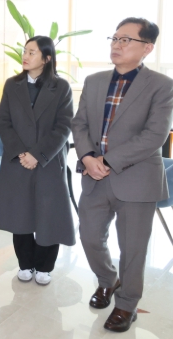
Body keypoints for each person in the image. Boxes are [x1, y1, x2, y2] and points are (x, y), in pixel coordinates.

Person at [71, 18, 173, 333]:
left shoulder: (162, 85)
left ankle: (127, 304)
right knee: (89, 237)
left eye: (126, 40)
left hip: (137, 179)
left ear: (147, 48)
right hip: (94, 175)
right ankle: (107, 280)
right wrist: (87, 158)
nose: (117, 44)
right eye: (114, 38)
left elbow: (155, 135)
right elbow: (79, 124)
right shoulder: (94, 80)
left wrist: (107, 160)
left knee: (133, 249)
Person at [0, 36, 75, 286]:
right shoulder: (12, 84)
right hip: (17, 161)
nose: (25, 56)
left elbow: (63, 126)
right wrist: (21, 152)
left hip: (48, 162)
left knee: (49, 214)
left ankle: (44, 267)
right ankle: (25, 263)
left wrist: (37, 155)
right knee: (21, 215)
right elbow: (3, 121)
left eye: (32, 52)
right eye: (25, 51)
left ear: (47, 58)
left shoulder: (61, 87)